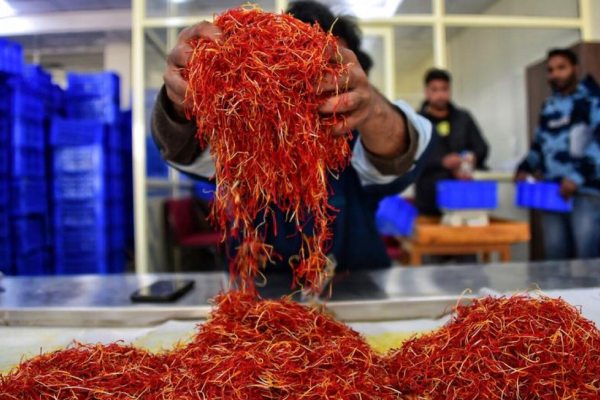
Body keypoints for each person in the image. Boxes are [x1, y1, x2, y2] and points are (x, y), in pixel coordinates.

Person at [152, 1, 433, 276]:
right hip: (260, 293)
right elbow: (183, 149)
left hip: (356, 287)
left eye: (330, 68)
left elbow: (399, 154)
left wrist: (371, 108)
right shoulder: (244, 130)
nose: (311, 85)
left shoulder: (358, 130)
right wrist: (183, 97)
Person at [515, 48, 600, 260]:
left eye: (561, 68)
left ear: (576, 69)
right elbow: (540, 145)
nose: (556, 74)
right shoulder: (549, 106)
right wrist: (524, 168)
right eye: (551, 70)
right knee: (555, 258)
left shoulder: (592, 100)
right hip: (553, 192)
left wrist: (576, 178)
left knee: (587, 258)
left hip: (585, 192)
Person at [415, 68, 489, 216]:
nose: (440, 95)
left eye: (444, 89)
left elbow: (482, 148)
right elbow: (411, 158)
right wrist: (441, 162)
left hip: (461, 196)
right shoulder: (417, 122)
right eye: (434, 90)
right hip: (429, 198)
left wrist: (471, 158)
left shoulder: (464, 118)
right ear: (426, 92)